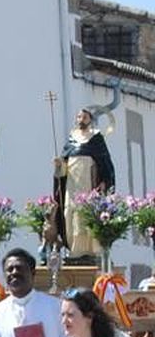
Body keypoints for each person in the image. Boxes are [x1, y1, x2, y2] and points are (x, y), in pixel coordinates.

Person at [53, 106, 118, 261]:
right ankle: (74, 250)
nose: (81, 120)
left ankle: (91, 250)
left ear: (90, 120)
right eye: (79, 117)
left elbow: (106, 165)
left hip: (89, 186)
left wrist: (104, 182)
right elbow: (63, 170)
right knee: (70, 214)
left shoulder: (96, 139)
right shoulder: (71, 140)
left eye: (84, 117)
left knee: (87, 216)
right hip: (72, 187)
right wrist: (59, 165)